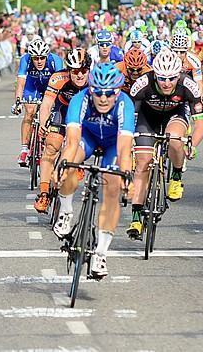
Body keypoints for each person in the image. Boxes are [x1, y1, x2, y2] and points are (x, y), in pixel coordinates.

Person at [52, 63, 135, 278]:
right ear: (91, 90)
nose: (103, 98)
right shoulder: (80, 100)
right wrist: (61, 166)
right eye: (98, 92)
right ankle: (66, 211)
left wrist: (128, 177)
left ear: (118, 91)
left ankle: (100, 253)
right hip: (87, 138)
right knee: (70, 165)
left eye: (109, 93)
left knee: (112, 188)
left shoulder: (126, 104)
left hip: (113, 145)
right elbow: (71, 144)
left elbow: (125, 149)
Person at [126, 48, 203, 238]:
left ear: (179, 75)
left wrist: (192, 144)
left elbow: (200, 123)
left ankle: (176, 177)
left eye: (171, 78)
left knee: (175, 138)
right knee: (142, 164)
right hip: (147, 118)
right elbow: (128, 117)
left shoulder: (188, 84)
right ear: (155, 74)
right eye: (162, 78)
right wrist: (128, 141)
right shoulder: (142, 83)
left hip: (174, 116)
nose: (167, 83)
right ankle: (136, 217)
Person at [33, 48, 91, 213]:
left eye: (83, 71)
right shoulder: (59, 78)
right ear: (69, 70)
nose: (79, 75)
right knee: (51, 147)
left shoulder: (95, 80)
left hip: (84, 117)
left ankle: (76, 164)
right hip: (62, 112)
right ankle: (44, 193)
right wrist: (44, 123)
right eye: (75, 71)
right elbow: (47, 104)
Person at [13, 39, 63, 166]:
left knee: (50, 113)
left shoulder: (55, 61)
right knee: (29, 111)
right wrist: (18, 101)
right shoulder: (25, 60)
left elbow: (61, 84)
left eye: (42, 58)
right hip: (32, 86)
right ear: (31, 57)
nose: (39, 61)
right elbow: (20, 83)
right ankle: (24, 149)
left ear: (46, 56)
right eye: (36, 58)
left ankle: (47, 145)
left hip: (50, 87)